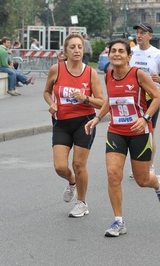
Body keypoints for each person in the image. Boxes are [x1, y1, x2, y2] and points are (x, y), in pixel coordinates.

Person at [84, 39, 160, 237]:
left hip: (139, 132)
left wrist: (145, 118)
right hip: (116, 131)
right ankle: (118, 221)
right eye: (113, 51)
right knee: (113, 175)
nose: (116, 54)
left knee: (142, 180)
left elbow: (157, 97)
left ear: (129, 56)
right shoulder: (108, 75)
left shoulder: (138, 74)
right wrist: (97, 117)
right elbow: (110, 100)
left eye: (121, 51)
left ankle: (158, 184)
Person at [43, 33, 105, 218]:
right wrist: (51, 104)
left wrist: (85, 98)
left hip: (83, 123)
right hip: (61, 123)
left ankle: (82, 202)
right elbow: (46, 92)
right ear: (65, 51)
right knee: (60, 167)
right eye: (72, 47)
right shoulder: (57, 70)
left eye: (79, 47)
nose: (77, 50)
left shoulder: (90, 73)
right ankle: (71, 181)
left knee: (79, 165)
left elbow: (102, 102)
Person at [128, 22, 160, 178]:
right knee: (133, 132)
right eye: (137, 32)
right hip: (132, 98)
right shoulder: (131, 52)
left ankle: (150, 165)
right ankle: (137, 165)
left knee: (149, 133)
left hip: (150, 98)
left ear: (150, 36)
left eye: (143, 32)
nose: (139, 35)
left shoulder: (157, 54)